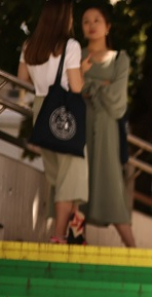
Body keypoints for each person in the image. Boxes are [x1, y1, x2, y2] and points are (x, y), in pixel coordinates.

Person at [18, 0, 89, 244]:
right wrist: (83, 72)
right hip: (63, 112)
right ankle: (59, 235)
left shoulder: (30, 45)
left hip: (41, 110)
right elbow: (76, 86)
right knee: (70, 175)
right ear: (64, 17)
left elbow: (22, 79)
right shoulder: (70, 46)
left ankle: (70, 223)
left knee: (58, 176)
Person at [80, 2, 135, 247]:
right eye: (86, 21)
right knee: (76, 182)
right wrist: (98, 86)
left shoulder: (119, 59)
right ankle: (75, 241)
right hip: (79, 128)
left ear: (108, 26)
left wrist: (88, 86)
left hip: (107, 130)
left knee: (111, 184)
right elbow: (72, 91)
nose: (91, 26)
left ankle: (133, 250)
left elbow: (117, 101)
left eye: (96, 20)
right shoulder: (75, 56)